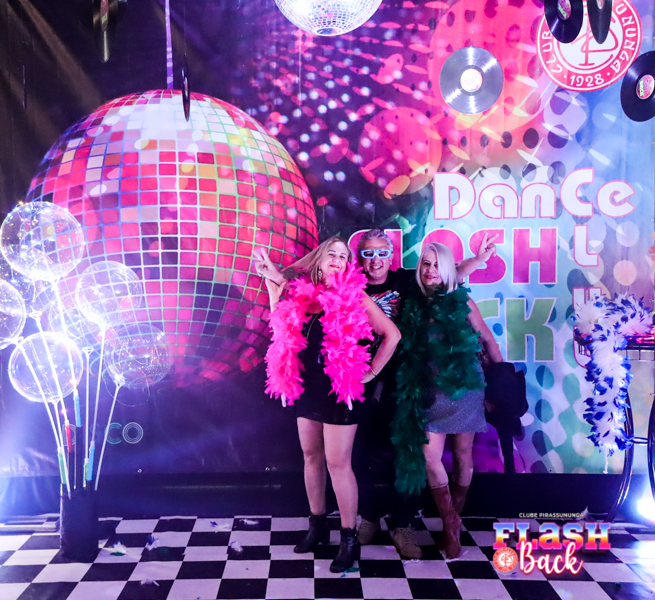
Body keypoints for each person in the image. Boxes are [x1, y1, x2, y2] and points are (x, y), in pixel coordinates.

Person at [255, 237, 401, 573]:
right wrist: (273, 288)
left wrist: (371, 372)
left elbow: (392, 335)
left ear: (348, 264)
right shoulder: (305, 296)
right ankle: (317, 525)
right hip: (308, 389)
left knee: (338, 464)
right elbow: (282, 328)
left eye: (343, 256)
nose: (337, 259)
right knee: (311, 457)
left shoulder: (357, 296)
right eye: (331, 254)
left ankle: (348, 539)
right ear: (319, 261)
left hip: (340, 392)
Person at [354, 229, 497, 559]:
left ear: (391, 256)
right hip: (371, 384)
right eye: (368, 253)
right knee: (364, 455)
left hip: (416, 385)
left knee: (417, 456)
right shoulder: (355, 286)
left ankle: (411, 525)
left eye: (382, 252)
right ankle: (371, 517)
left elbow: (449, 274)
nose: (375, 260)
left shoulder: (408, 282)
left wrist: (479, 260)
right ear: (360, 257)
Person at [392, 242, 502, 559]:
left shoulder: (460, 299)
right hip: (428, 392)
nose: (430, 271)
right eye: (426, 264)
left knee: (463, 455)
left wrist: (499, 381)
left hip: (464, 389)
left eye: (437, 265)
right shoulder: (412, 301)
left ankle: (450, 530)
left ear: (447, 269)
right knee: (430, 458)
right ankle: (450, 519)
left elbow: (487, 338)